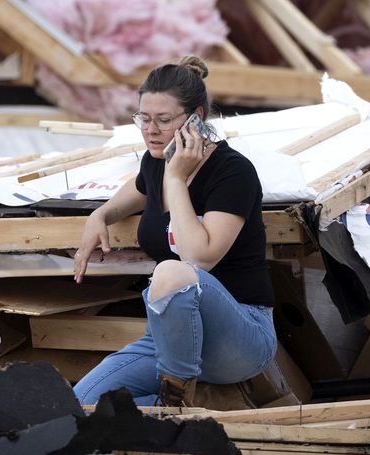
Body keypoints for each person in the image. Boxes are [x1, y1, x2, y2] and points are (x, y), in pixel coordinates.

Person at [72, 55, 276, 409]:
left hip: (240, 334)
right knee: (82, 403)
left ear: (196, 117)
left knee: (170, 273)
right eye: (143, 118)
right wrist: (100, 214)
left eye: (163, 120)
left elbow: (198, 258)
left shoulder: (233, 172)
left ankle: (174, 404)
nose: (150, 130)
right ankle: (178, 409)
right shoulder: (155, 162)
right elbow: (133, 194)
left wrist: (177, 178)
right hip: (170, 340)